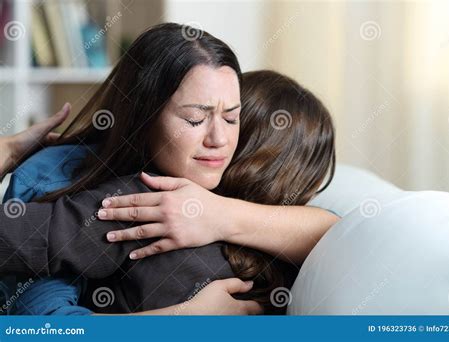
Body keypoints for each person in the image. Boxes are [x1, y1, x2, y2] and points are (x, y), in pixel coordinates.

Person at [2, 23, 338, 315]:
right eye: (195, 118)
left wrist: (218, 214)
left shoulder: (160, 203)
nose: (219, 139)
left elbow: (334, 230)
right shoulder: (134, 199)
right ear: (144, 116)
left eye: (232, 118)